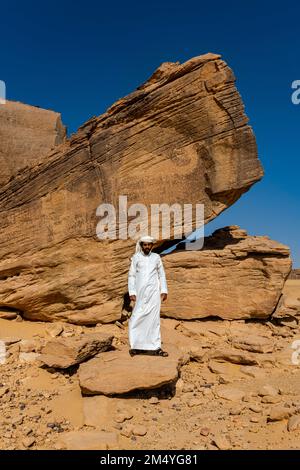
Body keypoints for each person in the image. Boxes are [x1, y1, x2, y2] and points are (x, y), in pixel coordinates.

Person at [127, 235, 168, 357]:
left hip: (154, 293)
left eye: (149, 245)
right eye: (145, 245)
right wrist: (132, 292)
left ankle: (156, 347)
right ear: (141, 245)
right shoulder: (136, 258)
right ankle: (135, 346)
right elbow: (132, 276)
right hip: (139, 293)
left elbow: (161, 274)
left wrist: (164, 290)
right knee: (136, 317)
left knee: (154, 319)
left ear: (152, 246)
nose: (147, 247)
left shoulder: (156, 257)